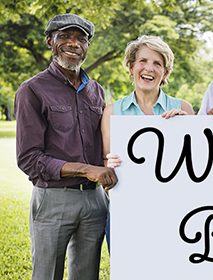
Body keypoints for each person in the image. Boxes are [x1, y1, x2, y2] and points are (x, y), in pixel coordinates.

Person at [14, 14, 118, 280]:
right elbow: (29, 159)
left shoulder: (96, 90)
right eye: (65, 37)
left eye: (81, 39)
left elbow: (107, 142)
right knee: (46, 274)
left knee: (86, 275)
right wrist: (86, 170)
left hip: (95, 200)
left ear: (87, 46)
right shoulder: (32, 90)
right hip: (53, 200)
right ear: (50, 41)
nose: (73, 43)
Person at [100, 35, 195, 252]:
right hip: (126, 212)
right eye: (143, 61)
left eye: (157, 64)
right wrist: (110, 165)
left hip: (174, 212)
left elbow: (197, 170)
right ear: (131, 67)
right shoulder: (112, 112)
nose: (149, 68)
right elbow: (105, 169)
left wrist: (186, 129)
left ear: (165, 73)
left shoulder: (183, 109)